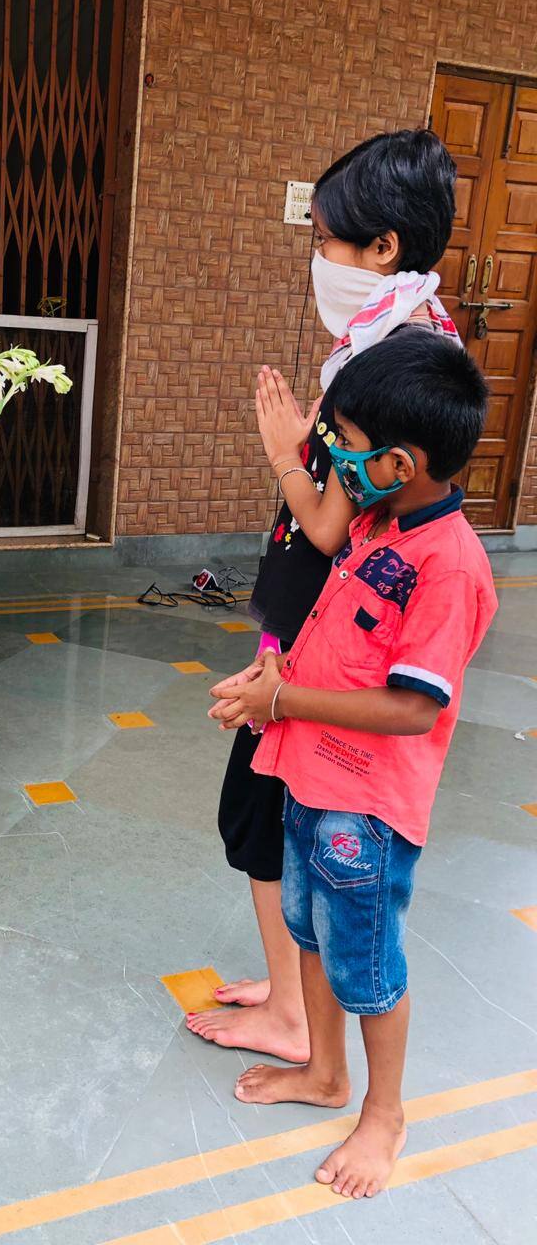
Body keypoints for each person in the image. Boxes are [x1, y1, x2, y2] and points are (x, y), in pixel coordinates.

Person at [188, 130, 460, 1063]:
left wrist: (281, 454)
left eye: (328, 239)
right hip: (314, 618)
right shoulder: (410, 337)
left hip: (322, 626)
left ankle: (295, 1019)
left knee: (265, 811)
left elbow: (338, 528)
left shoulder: (385, 360)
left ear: (383, 248)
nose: (318, 258)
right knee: (273, 812)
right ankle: (292, 983)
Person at [207, 328, 496, 1198]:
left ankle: (384, 1115)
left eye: (347, 449)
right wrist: (273, 679)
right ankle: (323, 1074)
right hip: (310, 777)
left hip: (363, 810)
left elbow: (412, 706)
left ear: (402, 462)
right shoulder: (378, 520)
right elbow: (334, 621)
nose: (334, 460)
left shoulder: (448, 568)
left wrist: (282, 703)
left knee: (365, 965)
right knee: (310, 937)